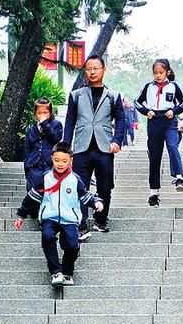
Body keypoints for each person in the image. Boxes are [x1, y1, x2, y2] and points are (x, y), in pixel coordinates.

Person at [14, 143, 103, 286]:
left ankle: (67, 272)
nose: (60, 164)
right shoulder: (45, 178)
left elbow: (86, 195)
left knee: (72, 247)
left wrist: (97, 202)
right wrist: (21, 215)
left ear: (71, 161)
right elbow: (32, 197)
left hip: (70, 219)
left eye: (64, 161)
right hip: (50, 217)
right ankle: (56, 271)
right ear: (52, 159)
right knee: (47, 237)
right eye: (56, 160)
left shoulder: (75, 180)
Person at [63, 55, 125, 239]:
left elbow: (121, 120)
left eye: (96, 68)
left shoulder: (113, 95)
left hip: (104, 146)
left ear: (103, 70)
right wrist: (66, 148)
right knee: (79, 185)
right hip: (81, 147)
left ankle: (100, 219)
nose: (92, 72)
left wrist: (117, 140)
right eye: (89, 69)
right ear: (85, 71)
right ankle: (80, 224)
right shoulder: (76, 95)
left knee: (105, 186)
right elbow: (70, 121)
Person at [134, 58, 183, 207]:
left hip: (169, 120)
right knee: (155, 158)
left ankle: (179, 177)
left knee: (172, 146)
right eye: (155, 73)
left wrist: (174, 110)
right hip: (154, 121)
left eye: (161, 72)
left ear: (167, 72)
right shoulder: (148, 87)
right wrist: (146, 111)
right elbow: (137, 102)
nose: (158, 75)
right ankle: (153, 193)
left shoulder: (174, 86)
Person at [23, 97, 63, 192]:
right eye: (39, 113)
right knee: (33, 195)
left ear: (50, 112)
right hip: (34, 165)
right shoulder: (31, 129)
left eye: (45, 113)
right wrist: (27, 166)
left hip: (49, 164)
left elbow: (55, 138)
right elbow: (27, 149)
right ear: (35, 114)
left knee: (49, 193)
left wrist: (45, 124)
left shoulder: (56, 125)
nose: (42, 115)